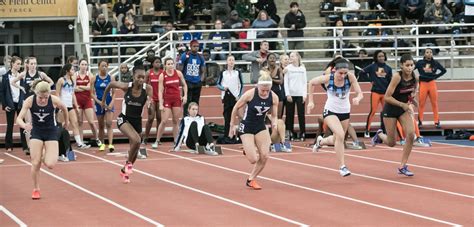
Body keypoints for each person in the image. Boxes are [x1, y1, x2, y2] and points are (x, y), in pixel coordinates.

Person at [307, 58, 364, 177]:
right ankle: (342, 166)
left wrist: (357, 98)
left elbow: (360, 93)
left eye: (345, 73)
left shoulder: (351, 77)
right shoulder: (329, 78)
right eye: (340, 73)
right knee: (340, 135)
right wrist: (310, 101)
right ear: (334, 70)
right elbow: (311, 82)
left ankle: (321, 141)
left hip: (345, 112)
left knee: (338, 139)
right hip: (330, 111)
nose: (342, 76)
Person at [16, 81, 69, 199]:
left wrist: (67, 121)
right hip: (37, 132)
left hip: (51, 132)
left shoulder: (54, 100)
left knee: (50, 164)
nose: (43, 100)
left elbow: (65, 108)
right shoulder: (30, 101)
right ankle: (36, 189)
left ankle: (43, 152)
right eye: (41, 98)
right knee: (35, 163)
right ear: (36, 93)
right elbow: (18, 119)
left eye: (46, 97)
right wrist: (25, 126)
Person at [102, 65, 153, 183]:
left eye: (143, 77)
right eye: (138, 77)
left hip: (137, 121)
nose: (141, 80)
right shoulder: (126, 86)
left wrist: (150, 105)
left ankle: (125, 172)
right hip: (124, 119)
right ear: (133, 76)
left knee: (135, 148)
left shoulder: (148, 89)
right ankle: (127, 165)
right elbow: (110, 84)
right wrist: (104, 101)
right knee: (137, 140)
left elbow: (151, 112)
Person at [229, 71, 279, 190]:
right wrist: (232, 125)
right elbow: (236, 107)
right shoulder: (250, 94)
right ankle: (248, 148)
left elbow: (274, 115)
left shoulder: (274, 97)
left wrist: (274, 123)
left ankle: (251, 179)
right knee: (253, 159)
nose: (265, 93)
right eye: (263, 90)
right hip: (247, 126)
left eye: (267, 90)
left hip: (260, 125)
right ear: (258, 86)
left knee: (265, 156)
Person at [371, 54, 419, 176]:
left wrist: (412, 99)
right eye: (407, 65)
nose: (409, 68)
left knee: (411, 134)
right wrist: (402, 104)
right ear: (402, 66)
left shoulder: (415, 77)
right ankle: (380, 134)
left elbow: (412, 91)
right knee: (392, 143)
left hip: (403, 109)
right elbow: (387, 97)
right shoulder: (397, 77)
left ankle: (403, 166)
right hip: (391, 110)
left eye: (411, 65)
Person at [152, 58, 188, 148]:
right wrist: (160, 103)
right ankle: (157, 140)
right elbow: (160, 91)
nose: (171, 65)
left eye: (172, 63)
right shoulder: (162, 75)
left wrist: (185, 96)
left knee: (175, 121)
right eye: (168, 64)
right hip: (167, 100)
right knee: (164, 121)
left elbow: (184, 85)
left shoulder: (178, 73)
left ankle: (176, 140)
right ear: (165, 65)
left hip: (176, 99)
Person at [358, 50, 392, 138]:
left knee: (386, 112)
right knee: (373, 111)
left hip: (385, 93)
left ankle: (386, 130)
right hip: (375, 92)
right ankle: (367, 130)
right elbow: (361, 72)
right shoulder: (372, 66)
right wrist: (370, 80)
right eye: (379, 56)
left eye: (382, 56)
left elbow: (390, 81)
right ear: (376, 57)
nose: (381, 58)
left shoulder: (388, 68)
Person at [56, 64, 91, 149]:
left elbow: (73, 94)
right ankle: (56, 143)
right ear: (67, 71)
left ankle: (79, 143)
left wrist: (76, 106)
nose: (73, 71)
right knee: (61, 125)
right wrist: (59, 105)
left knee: (74, 123)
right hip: (62, 106)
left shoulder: (72, 80)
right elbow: (57, 93)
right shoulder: (61, 80)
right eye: (72, 70)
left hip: (69, 105)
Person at [1, 56, 28, 153]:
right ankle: (8, 145)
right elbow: (2, 92)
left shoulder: (21, 76)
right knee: (10, 125)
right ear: (12, 64)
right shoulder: (5, 77)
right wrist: (4, 105)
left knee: (22, 124)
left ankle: (25, 146)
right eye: (17, 63)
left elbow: (24, 90)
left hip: (20, 103)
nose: (19, 65)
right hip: (10, 103)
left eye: (20, 64)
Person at [415, 48, 446, 129]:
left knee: (434, 103)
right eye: (427, 52)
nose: (429, 54)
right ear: (424, 54)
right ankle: (420, 122)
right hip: (423, 84)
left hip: (432, 84)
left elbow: (444, 70)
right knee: (421, 103)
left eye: (430, 52)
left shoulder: (435, 63)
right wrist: (415, 77)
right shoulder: (420, 63)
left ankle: (436, 122)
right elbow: (411, 69)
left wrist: (436, 76)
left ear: (432, 54)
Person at [75, 59, 102, 147]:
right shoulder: (75, 75)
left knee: (91, 121)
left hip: (87, 100)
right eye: (82, 64)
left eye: (85, 64)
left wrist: (79, 86)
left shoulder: (90, 75)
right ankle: (81, 142)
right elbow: (73, 88)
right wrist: (84, 87)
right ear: (79, 65)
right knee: (80, 122)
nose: (84, 66)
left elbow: (90, 88)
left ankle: (97, 139)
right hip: (77, 101)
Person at [90, 60, 116, 152]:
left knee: (109, 123)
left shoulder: (111, 78)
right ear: (98, 67)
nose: (104, 67)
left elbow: (114, 93)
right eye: (102, 66)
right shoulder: (94, 78)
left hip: (108, 103)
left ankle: (111, 144)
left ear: (108, 66)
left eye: (106, 66)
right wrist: (99, 101)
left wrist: (112, 103)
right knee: (101, 125)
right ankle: (102, 144)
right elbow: (91, 93)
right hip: (99, 103)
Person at [217, 55, 244, 141]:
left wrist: (239, 96)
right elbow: (218, 84)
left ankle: (241, 134)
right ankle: (227, 135)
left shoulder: (238, 73)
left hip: (236, 97)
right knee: (227, 116)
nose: (231, 62)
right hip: (227, 97)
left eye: (233, 60)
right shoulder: (223, 73)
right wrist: (223, 88)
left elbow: (242, 84)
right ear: (227, 62)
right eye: (229, 60)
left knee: (240, 116)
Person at [284, 51, 307, 141]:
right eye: (290, 56)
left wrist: (304, 95)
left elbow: (305, 82)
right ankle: (291, 132)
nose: (291, 58)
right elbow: (286, 82)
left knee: (301, 114)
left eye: (293, 56)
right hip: (291, 95)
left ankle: (302, 132)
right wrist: (288, 94)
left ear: (297, 57)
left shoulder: (302, 68)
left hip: (300, 94)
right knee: (290, 114)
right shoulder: (288, 68)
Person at [178, 40, 206, 115]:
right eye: (194, 46)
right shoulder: (185, 55)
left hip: (197, 82)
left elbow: (203, 70)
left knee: (196, 101)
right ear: (190, 47)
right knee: (187, 101)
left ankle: (195, 115)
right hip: (187, 82)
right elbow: (179, 69)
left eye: (197, 46)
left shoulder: (200, 57)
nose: (196, 48)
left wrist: (201, 81)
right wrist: (183, 81)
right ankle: (186, 116)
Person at [144, 57, 163, 144]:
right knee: (151, 118)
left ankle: (157, 138)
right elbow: (144, 85)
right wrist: (146, 97)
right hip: (151, 98)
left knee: (159, 118)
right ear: (153, 64)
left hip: (160, 98)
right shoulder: (149, 72)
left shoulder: (163, 73)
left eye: (159, 62)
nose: (158, 64)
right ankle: (146, 137)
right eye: (156, 62)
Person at [265, 53, 284, 119]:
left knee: (279, 115)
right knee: (268, 115)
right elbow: (266, 80)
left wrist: (271, 79)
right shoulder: (265, 69)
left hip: (278, 93)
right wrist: (274, 79)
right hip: (267, 94)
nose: (272, 59)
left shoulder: (279, 69)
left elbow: (281, 81)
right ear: (267, 60)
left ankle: (278, 128)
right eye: (270, 58)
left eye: (274, 58)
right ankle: (268, 129)